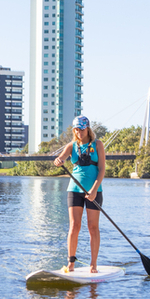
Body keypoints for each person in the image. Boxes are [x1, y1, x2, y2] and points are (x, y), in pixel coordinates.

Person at [53, 115, 106, 273]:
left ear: (88, 129)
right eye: (76, 129)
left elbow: (102, 169)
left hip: (94, 191)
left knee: (93, 227)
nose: (79, 132)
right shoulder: (71, 145)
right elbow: (60, 158)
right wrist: (58, 161)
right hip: (74, 190)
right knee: (74, 226)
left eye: (81, 129)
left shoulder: (98, 145)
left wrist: (94, 189)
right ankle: (71, 263)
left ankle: (93, 264)